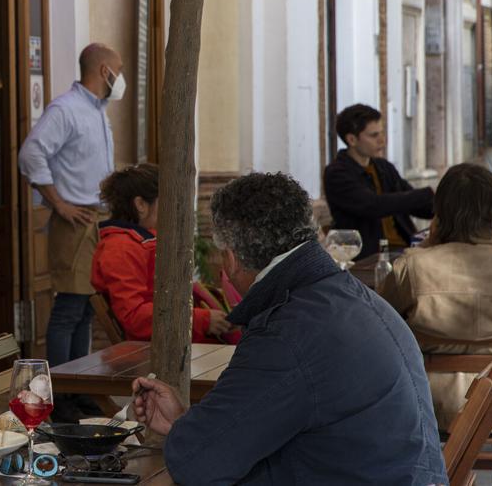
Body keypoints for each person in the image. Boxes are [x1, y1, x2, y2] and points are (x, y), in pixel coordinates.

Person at [131, 172, 445, 484]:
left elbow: (197, 464)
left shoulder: (288, 329)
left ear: (231, 259)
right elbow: (233, 430)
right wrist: (185, 424)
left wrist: (189, 436)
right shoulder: (352, 296)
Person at [381, 163, 492, 438]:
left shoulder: (412, 268)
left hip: (430, 408)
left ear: (438, 216)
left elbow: (382, 328)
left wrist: (426, 247)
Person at [18, 43, 122, 416]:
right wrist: (58, 202)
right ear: (104, 70)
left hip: (96, 218)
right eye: (119, 70)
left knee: (86, 309)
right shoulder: (66, 109)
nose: (120, 79)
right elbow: (31, 153)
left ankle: (79, 385)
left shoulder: (96, 111)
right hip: (74, 220)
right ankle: (58, 392)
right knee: (69, 307)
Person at [90, 163, 232, 343]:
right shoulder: (120, 249)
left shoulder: (144, 239)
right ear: (141, 204)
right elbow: (134, 317)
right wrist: (200, 320)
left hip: (173, 339)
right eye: (165, 200)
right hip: (152, 350)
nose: (172, 207)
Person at [323, 103, 433, 260]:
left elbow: (414, 203)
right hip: (368, 257)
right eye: (374, 135)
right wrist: (425, 194)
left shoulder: (383, 167)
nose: (382, 141)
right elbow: (373, 205)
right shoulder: (337, 173)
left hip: (404, 248)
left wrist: (443, 203)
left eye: (382, 133)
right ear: (352, 139)